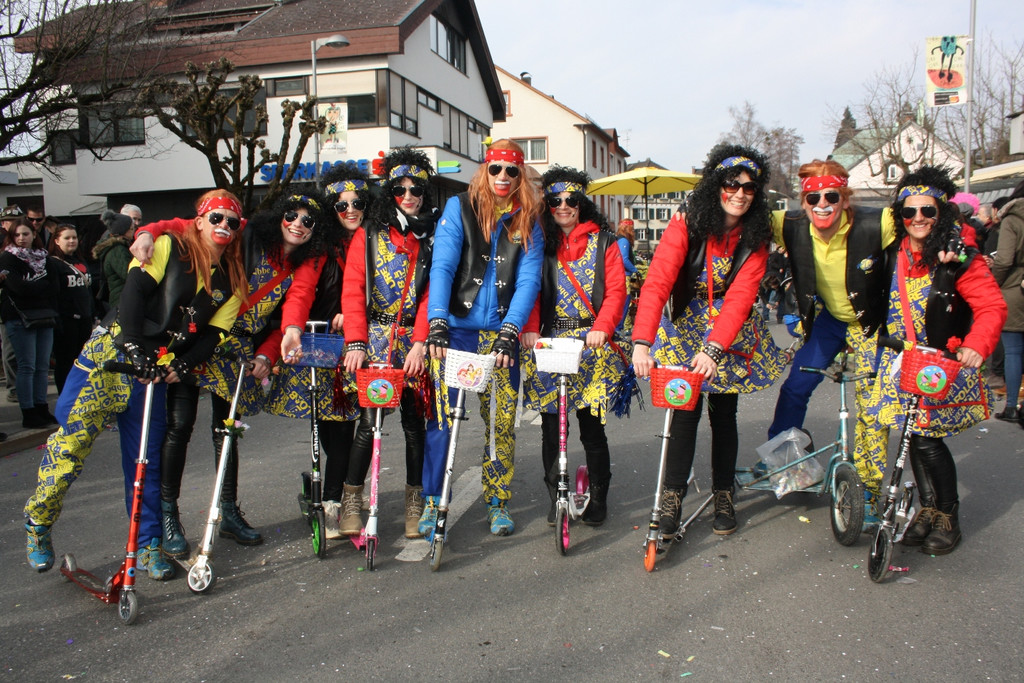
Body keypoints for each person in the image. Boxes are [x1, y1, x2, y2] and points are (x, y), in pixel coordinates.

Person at [23, 190, 247, 577]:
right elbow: (134, 292)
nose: (223, 226)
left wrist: (183, 364)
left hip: (153, 374)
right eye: (217, 218)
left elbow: (213, 333)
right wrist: (130, 342)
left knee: (145, 460)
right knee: (70, 446)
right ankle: (38, 524)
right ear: (199, 221)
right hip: (109, 360)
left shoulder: (232, 279)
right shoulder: (169, 247)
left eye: (232, 221)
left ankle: (147, 546)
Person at [132, 192, 334, 556]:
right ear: (278, 216)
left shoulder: (307, 262)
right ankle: (169, 516)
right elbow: (188, 227)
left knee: (226, 432)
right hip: (197, 336)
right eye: (292, 215)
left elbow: (293, 309)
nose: (298, 224)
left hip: (237, 349)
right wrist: (147, 230)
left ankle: (227, 512)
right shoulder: (249, 233)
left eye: (309, 221)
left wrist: (267, 353)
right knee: (180, 426)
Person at [632, 144, 786, 536]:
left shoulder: (757, 234)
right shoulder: (687, 222)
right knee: (683, 413)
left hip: (729, 334)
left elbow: (741, 295)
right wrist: (642, 341)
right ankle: (671, 497)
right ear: (716, 186)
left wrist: (715, 348)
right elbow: (658, 281)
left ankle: (723, 493)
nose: (739, 193)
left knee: (724, 415)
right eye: (731, 184)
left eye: (749, 188)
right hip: (686, 325)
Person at [865, 166, 1005, 555]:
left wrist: (977, 343)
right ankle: (927, 510)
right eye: (909, 212)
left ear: (942, 211)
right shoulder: (893, 255)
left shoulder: (959, 255)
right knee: (912, 437)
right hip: (900, 365)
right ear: (900, 216)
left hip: (939, 366)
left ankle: (947, 515)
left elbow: (991, 306)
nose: (918, 219)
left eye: (927, 210)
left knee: (926, 439)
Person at [765, 159, 897, 523]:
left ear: (844, 197)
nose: (821, 204)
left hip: (872, 324)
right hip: (830, 322)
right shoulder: (788, 224)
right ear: (802, 201)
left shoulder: (877, 222)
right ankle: (790, 463)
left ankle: (868, 491)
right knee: (796, 386)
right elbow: (738, 219)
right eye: (812, 197)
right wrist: (689, 216)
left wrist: (952, 238)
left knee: (872, 409)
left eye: (831, 196)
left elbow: (928, 221)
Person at [424, 139, 544, 536]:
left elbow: (528, 279)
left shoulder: (530, 217)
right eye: (496, 169)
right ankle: (432, 500)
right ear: (484, 169)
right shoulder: (459, 207)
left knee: (501, 422)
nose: (504, 178)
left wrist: (512, 329)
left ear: (521, 174)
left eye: (512, 171)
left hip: (500, 336)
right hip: (456, 331)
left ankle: (497, 500)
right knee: (444, 418)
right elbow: (442, 265)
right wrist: (437, 320)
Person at [520, 166, 628, 526]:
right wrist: (531, 328)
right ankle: (557, 495)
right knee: (553, 428)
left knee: (591, 428)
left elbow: (615, 293)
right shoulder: (539, 243)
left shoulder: (606, 243)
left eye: (571, 200)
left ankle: (599, 497)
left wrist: (602, 328)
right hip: (549, 345)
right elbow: (532, 292)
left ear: (582, 203)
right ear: (546, 205)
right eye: (555, 200)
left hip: (591, 345)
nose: (563, 206)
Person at [340, 149, 437, 539]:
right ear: (389, 191)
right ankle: (351, 502)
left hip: (415, 344)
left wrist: (420, 342)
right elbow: (353, 289)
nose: (409, 195)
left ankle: (415, 505)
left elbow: (433, 294)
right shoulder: (368, 234)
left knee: (416, 426)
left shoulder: (432, 237)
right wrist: (356, 342)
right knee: (369, 425)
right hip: (376, 344)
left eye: (416, 189)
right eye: (400, 188)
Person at [276, 171, 365, 540]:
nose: (349, 209)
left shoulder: (374, 240)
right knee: (327, 433)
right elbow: (300, 291)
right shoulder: (320, 250)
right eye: (340, 204)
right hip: (321, 348)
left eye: (357, 203)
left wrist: (359, 311)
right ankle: (327, 491)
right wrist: (292, 328)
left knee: (345, 433)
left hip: (356, 349)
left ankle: (335, 502)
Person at [0, 220, 60, 430]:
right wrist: (37, 286)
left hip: (44, 316)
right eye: (17, 235)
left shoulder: (44, 258)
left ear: (34, 235)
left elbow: (53, 286)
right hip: (19, 317)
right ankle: (29, 411)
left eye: (25, 234)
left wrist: (33, 286)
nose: (21, 238)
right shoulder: (8, 257)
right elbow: (17, 288)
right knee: (27, 366)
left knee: (42, 367)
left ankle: (41, 407)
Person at [989, 179, 1024, 421]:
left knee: (1013, 351)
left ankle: (1011, 405)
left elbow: (1003, 260)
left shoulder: (1013, 219)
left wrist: (994, 283)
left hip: (1014, 287)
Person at [47, 223, 94, 393]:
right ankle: (65, 398)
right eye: (67, 238)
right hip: (66, 320)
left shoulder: (80, 260)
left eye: (74, 237)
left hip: (85, 318)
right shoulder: (53, 263)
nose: (72, 241)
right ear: (57, 241)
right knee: (66, 362)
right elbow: (53, 294)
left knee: (83, 361)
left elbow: (87, 291)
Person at [92, 209, 135, 311]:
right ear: (124, 231)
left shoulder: (115, 247)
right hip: (122, 300)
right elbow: (129, 274)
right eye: (132, 228)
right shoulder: (118, 250)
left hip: (119, 298)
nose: (134, 230)